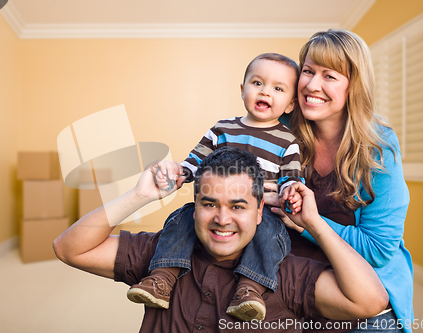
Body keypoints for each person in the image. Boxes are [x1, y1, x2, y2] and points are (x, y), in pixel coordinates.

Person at [52, 147, 388, 333]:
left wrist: (313, 223)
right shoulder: (162, 257)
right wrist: (140, 196)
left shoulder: (284, 274)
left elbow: (369, 302)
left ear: (260, 212)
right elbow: (69, 248)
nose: (222, 219)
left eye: (238, 207)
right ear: (193, 207)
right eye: (209, 204)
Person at [127, 53, 305, 322]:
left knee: (271, 233)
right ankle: (162, 278)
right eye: (257, 83)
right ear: (242, 89)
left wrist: (290, 192)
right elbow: (195, 162)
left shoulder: (287, 141)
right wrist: (179, 172)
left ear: (290, 104)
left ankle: (249, 290)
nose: (265, 92)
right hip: (216, 204)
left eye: (277, 89)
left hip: (260, 211)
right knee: (182, 218)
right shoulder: (222, 129)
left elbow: (291, 178)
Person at [269, 29, 413, 333]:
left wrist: (307, 223)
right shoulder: (279, 130)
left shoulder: (379, 147)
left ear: (354, 87)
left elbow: (377, 249)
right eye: (307, 71)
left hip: (365, 292)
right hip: (296, 280)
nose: (311, 84)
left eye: (329, 76)